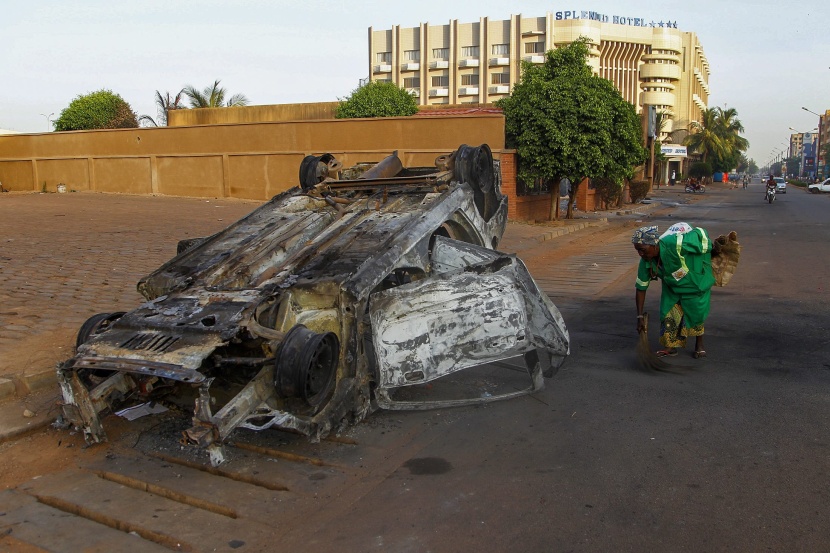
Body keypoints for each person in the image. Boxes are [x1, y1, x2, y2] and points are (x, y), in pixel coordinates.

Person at [632, 223, 720, 359]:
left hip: (694, 284)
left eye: (643, 249)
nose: (640, 254)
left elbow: (700, 233)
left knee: (696, 313)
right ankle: (670, 346)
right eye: (637, 250)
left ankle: (699, 344)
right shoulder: (646, 261)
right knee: (669, 314)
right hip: (672, 287)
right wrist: (639, 317)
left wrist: (710, 247)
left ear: (655, 245)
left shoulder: (674, 243)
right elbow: (641, 288)